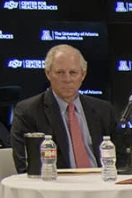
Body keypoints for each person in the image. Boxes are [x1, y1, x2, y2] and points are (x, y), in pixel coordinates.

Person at [10, 44, 118, 173]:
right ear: (48, 73)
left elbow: (120, 159)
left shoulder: (103, 110)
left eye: (73, 73)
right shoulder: (28, 112)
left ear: (83, 75)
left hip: (101, 185)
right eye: (60, 72)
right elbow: (24, 166)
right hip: (57, 188)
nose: (67, 79)